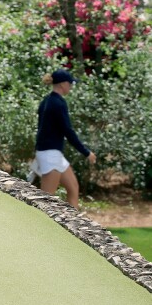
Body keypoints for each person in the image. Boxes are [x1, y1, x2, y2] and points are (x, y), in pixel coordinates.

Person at [31, 69, 96, 208]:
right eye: (70, 83)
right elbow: (68, 131)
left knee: (73, 187)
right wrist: (86, 152)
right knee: (46, 201)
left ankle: (74, 222)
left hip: (51, 153)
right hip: (50, 154)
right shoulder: (58, 103)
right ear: (63, 84)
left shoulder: (46, 101)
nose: (71, 86)